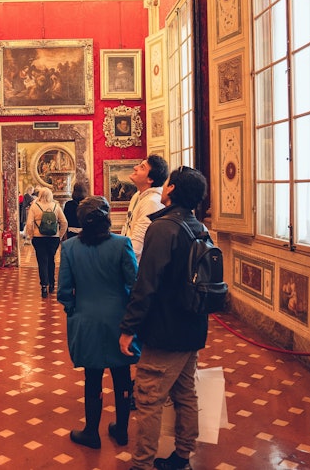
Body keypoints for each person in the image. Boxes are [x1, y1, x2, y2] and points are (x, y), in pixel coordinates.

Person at [119, 166, 210, 470]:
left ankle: (141, 464)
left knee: (148, 398)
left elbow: (146, 284)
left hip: (165, 329)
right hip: (193, 325)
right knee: (185, 393)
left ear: (171, 190)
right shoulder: (199, 227)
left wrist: (128, 328)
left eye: (167, 182)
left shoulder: (163, 228)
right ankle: (182, 456)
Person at [57, 196, 140, 450]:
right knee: (122, 376)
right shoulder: (122, 244)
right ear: (107, 219)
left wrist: (74, 311)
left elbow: (64, 292)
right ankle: (122, 430)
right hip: (119, 321)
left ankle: (91, 432)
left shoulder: (69, 248)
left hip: (86, 322)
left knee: (92, 377)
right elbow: (135, 285)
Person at [121, 154, 169, 262]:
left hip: (138, 264)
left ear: (150, 179)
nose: (135, 167)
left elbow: (137, 246)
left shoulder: (152, 202)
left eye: (142, 167)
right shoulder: (137, 195)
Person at [25, 187, 67, 298]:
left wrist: (31, 235)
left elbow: (29, 224)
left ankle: (44, 286)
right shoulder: (56, 206)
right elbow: (64, 222)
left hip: (39, 238)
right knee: (51, 260)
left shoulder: (34, 206)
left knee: (42, 261)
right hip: (53, 238)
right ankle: (52, 284)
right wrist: (60, 235)